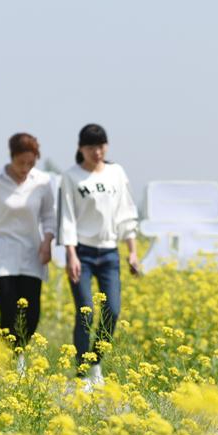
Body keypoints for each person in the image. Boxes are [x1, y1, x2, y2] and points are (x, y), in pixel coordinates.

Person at [59, 123, 140, 388]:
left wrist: (133, 252)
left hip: (109, 253)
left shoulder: (116, 173)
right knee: (85, 311)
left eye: (101, 145)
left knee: (113, 311)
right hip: (81, 252)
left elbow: (126, 212)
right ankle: (82, 372)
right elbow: (67, 218)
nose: (97, 151)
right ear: (80, 149)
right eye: (91, 146)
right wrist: (70, 254)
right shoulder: (70, 177)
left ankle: (96, 362)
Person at [0, 133, 55, 350]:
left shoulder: (43, 182)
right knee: (9, 309)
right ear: (11, 156)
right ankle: (8, 360)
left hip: (31, 253)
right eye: (21, 162)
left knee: (32, 313)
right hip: (0, 254)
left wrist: (47, 241)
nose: (25, 167)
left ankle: (18, 354)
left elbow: (49, 216)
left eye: (30, 162)